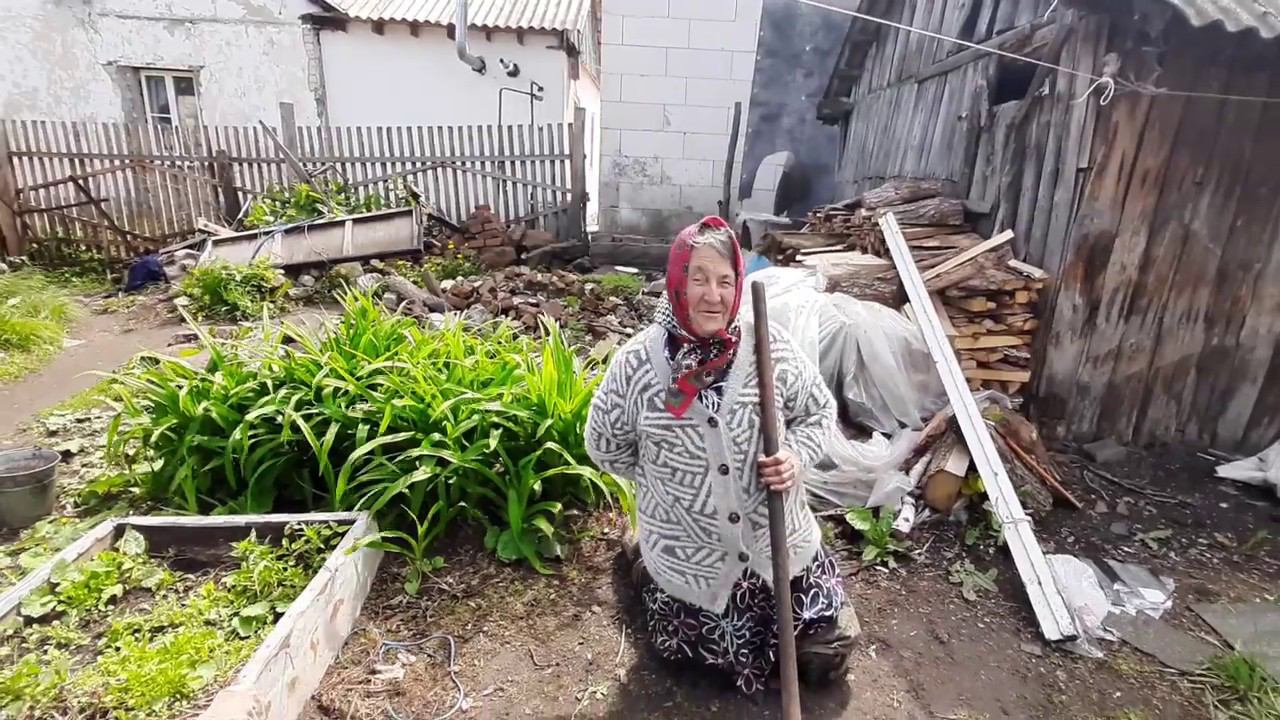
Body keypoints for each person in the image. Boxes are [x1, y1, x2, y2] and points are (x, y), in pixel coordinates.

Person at [585, 215, 855, 695]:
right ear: (677, 282)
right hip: (690, 564)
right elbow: (605, 444)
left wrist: (794, 456)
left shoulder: (769, 347)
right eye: (700, 279)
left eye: (726, 281)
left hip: (778, 554)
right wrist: (667, 485)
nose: (714, 295)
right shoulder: (637, 365)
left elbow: (818, 412)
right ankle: (645, 558)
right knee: (694, 668)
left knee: (820, 659)